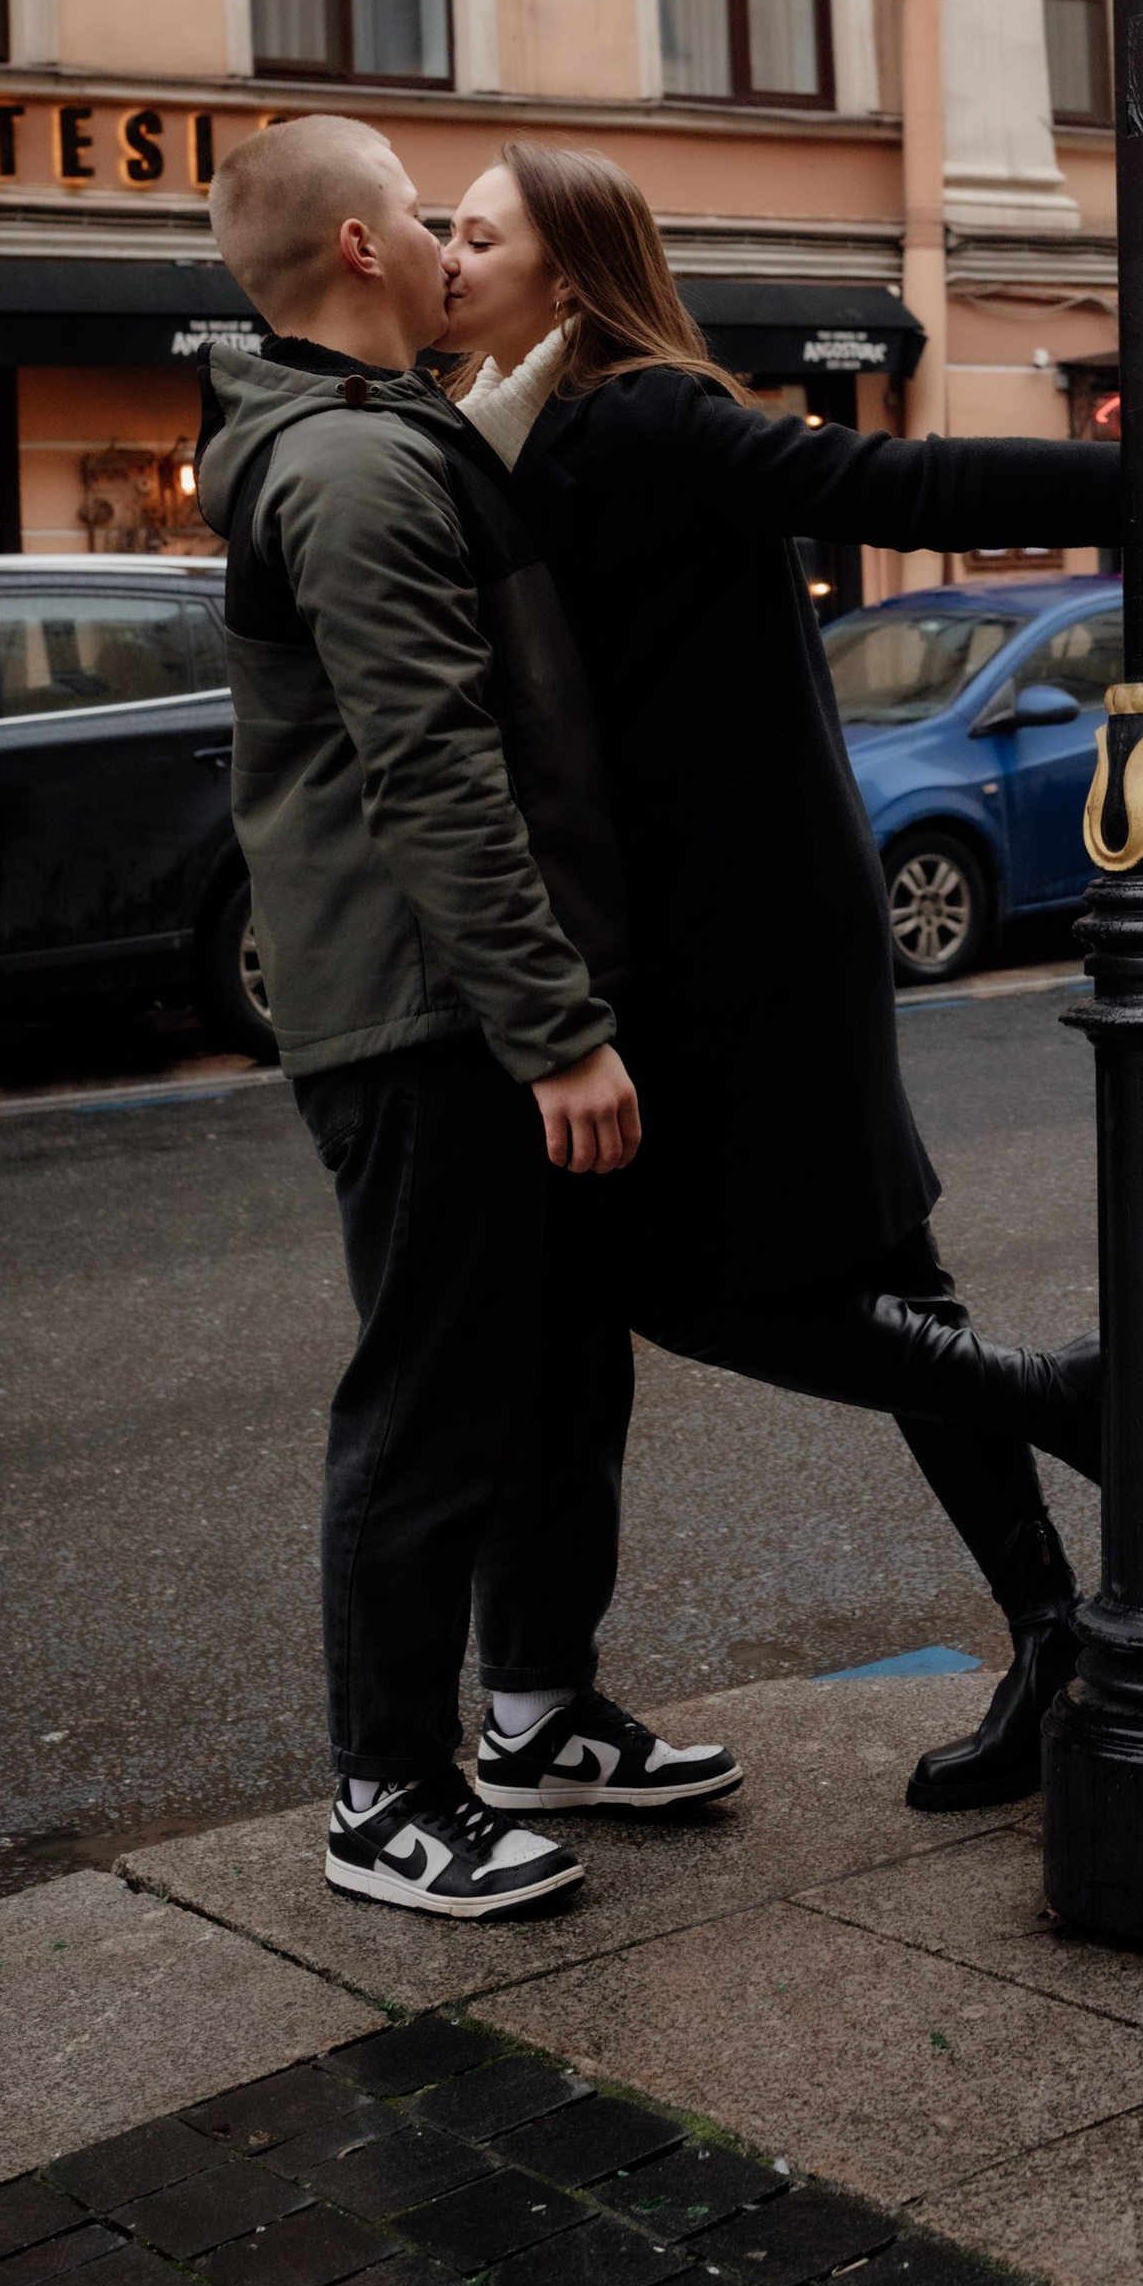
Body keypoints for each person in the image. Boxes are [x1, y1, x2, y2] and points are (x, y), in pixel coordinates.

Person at [442, 139, 1143, 1811]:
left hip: (737, 936)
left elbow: (896, 493)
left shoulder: (649, 415)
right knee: (891, 1271)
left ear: (568, 268)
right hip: (705, 921)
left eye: (478, 234)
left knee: (693, 1286)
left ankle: (1061, 1412)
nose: (450, 257)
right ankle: (1050, 1627)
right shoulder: (508, 439)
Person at [199, 113, 741, 1926]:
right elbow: (432, 773)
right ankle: (386, 1798)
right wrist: (553, 1030)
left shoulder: (397, 432)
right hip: (430, 1021)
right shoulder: (345, 472)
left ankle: (533, 1711)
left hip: (489, 1009)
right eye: (427, 222)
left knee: (560, 1371)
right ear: (360, 251)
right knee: (430, 1405)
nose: (451, 245)